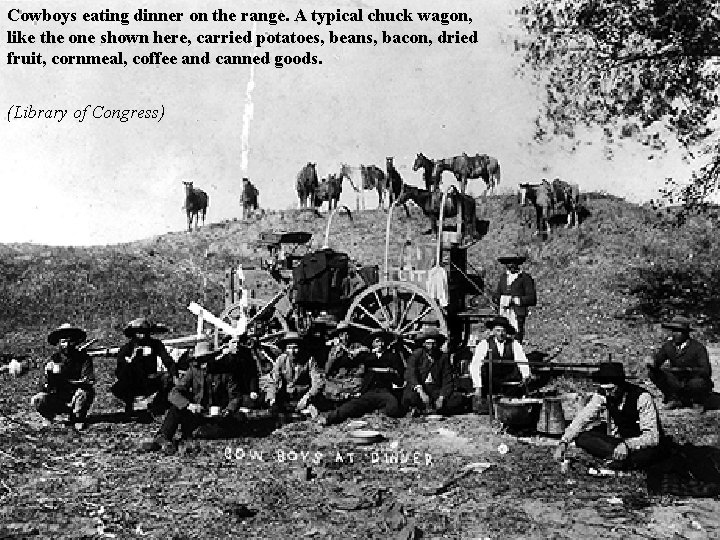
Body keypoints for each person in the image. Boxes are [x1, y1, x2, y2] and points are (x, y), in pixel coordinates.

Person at [554, 362, 663, 470]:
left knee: (647, 455)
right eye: (605, 389)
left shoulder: (642, 397)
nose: (607, 393)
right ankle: (617, 459)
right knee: (583, 438)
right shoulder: (603, 394)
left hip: (641, 445)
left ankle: (619, 461)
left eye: (610, 389)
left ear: (620, 385)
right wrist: (564, 441)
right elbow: (583, 418)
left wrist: (628, 445)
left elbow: (652, 437)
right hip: (619, 443)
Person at [141, 342, 244, 452]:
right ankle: (162, 438)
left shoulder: (225, 373)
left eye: (206, 359)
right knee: (175, 409)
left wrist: (228, 410)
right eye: (200, 360)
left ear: (213, 358)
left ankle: (187, 438)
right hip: (197, 414)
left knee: (211, 431)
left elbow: (236, 397)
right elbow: (174, 393)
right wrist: (189, 405)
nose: (203, 363)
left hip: (219, 417)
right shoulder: (193, 371)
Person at [319, 330, 404, 425]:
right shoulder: (366, 356)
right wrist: (341, 349)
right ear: (372, 344)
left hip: (384, 391)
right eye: (377, 341)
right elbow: (347, 362)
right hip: (368, 391)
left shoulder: (392, 357)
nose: (380, 344)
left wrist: (390, 373)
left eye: (381, 341)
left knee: (393, 407)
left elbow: (399, 378)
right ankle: (329, 418)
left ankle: (377, 413)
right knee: (351, 407)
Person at [111, 318, 179, 418]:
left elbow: (168, 361)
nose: (142, 335)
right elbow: (119, 372)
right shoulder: (126, 349)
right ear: (133, 334)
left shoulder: (156, 344)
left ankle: (156, 404)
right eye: (138, 333)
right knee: (123, 384)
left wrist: (174, 375)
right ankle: (131, 405)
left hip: (150, 379)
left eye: (144, 332)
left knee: (167, 379)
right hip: (132, 382)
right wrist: (131, 361)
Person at [31, 323, 95, 430]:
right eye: (64, 341)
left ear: (75, 342)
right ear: (59, 343)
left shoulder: (84, 359)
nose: (67, 344)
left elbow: (88, 381)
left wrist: (69, 382)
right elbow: (43, 386)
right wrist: (49, 377)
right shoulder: (53, 360)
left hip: (76, 395)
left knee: (85, 392)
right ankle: (49, 417)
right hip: (58, 396)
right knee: (39, 399)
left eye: (70, 341)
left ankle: (78, 418)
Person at [647, 316, 713, 409]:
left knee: (698, 383)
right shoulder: (668, 346)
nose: (675, 334)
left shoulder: (698, 347)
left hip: (693, 380)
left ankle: (697, 401)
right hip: (676, 381)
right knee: (654, 374)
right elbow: (657, 363)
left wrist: (687, 370)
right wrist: (652, 364)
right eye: (673, 331)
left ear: (686, 333)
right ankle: (673, 399)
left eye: (679, 331)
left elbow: (706, 371)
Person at [469, 316, 532, 411]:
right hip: (490, 380)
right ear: (493, 331)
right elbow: (475, 365)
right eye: (498, 330)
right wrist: (478, 385)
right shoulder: (484, 344)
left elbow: (522, 360)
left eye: (503, 331)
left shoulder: (514, 344)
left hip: (508, 380)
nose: (501, 334)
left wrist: (526, 375)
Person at [403, 328, 465, 415]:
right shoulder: (417, 355)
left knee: (456, 399)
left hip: (435, 389)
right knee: (409, 397)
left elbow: (447, 379)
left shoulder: (443, 357)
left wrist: (441, 397)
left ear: (437, 344)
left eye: (433, 343)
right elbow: (410, 373)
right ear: (424, 344)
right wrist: (421, 392)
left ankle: (431, 408)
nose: (431, 347)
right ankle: (421, 408)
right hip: (420, 388)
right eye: (428, 344)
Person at [266, 332, 325, 419]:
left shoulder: (309, 360)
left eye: (295, 348)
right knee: (274, 411)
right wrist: (272, 398)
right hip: (286, 396)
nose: (293, 352)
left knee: (315, 410)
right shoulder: (281, 360)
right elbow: (273, 380)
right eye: (289, 348)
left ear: (301, 348)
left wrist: (307, 397)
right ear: (285, 349)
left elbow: (317, 382)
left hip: (303, 396)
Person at [492, 253, 537, 343]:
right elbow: (497, 295)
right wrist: (499, 299)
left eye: (514, 262)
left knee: (516, 336)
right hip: (503, 312)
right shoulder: (503, 278)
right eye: (509, 263)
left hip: (517, 313)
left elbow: (532, 298)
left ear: (518, 264)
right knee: (502, 336)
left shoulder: (525, 278)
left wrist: (515, 300)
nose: (511, 265)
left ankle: (516, 355)